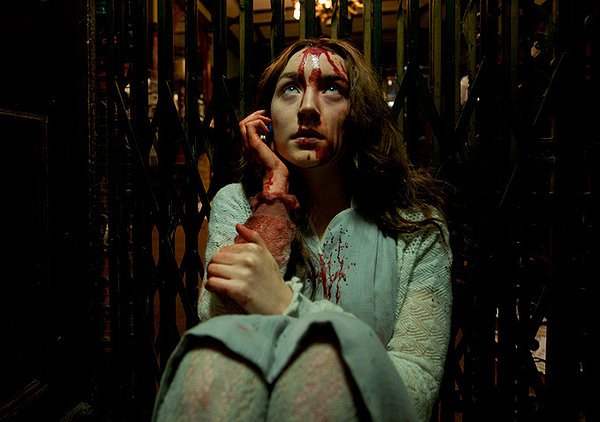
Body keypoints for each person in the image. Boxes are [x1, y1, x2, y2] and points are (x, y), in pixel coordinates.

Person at [152, 37, 453, 422]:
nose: (308, 107)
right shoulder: (238, 203)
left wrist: (284, 304)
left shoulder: (415, 227)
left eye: (332, 89)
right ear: (267, 116)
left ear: (359, 112)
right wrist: (275, 195)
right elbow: (220, 327)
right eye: (291, 88)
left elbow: (414, 392)